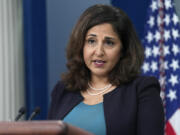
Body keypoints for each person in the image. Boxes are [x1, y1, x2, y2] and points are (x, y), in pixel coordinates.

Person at [47, 4, 164, 135]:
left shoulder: (141, 89)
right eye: (91, 41)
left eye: (109, 43)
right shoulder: (63, 90)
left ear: (123, 50)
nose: (99, 51)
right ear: (81, 45)